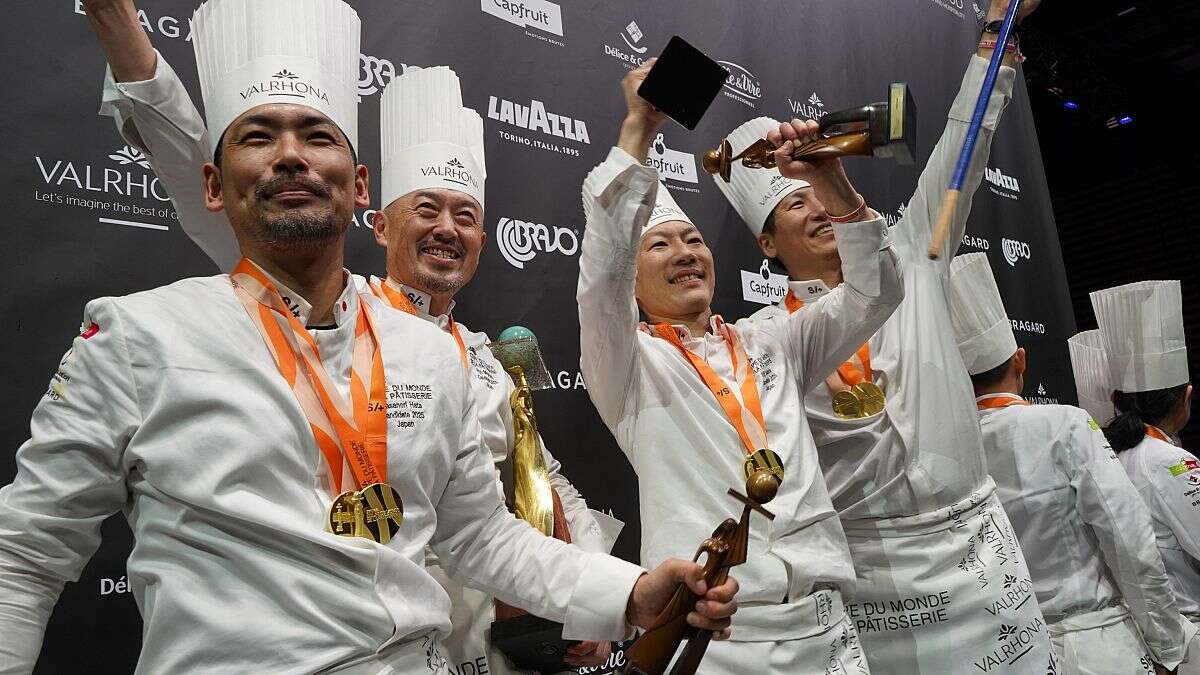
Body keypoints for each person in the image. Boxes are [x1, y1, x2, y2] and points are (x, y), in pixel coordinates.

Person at [0, 2, 739, 673]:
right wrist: (118, 28)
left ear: (354, 183)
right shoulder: (138, 337)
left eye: (316, 134)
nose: (290, 154)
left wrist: (629, 590)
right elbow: (23, 555)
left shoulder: (436, 352)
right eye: (258, 136)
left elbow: (484, 533)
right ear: (216, 187)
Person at [714, 2, 1058, 672]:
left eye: (815, 189)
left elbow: (965, 146)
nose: (813, 206)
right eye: (792, 202)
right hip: (877, 595)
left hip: (981, 571)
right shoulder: (764, 341)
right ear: (766, 241)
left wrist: (995, 38)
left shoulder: (915, 258)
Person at [577, 59, 903, 674]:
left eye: (694, 240)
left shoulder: (773, 337)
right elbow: (600, 277)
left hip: (829, 629)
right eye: (660, 244)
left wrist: (830, 183)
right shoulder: (627, 365)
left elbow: (875, 291)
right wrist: (637, 135)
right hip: (724, 639)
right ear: (634, 277)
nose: (685, 253)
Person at [949, 252, 1190, 674]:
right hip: (1097, 646)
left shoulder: (949, 449)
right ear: (1020, 361)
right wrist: (1169, 645)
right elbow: (1127, 537)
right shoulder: (1065, 423)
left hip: (1011, 651)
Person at [1091, 280, 1200, 674]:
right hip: (1190, 636)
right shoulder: (1172, 462)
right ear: (1185, 398)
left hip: (1144, 638)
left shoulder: (1108, 456)